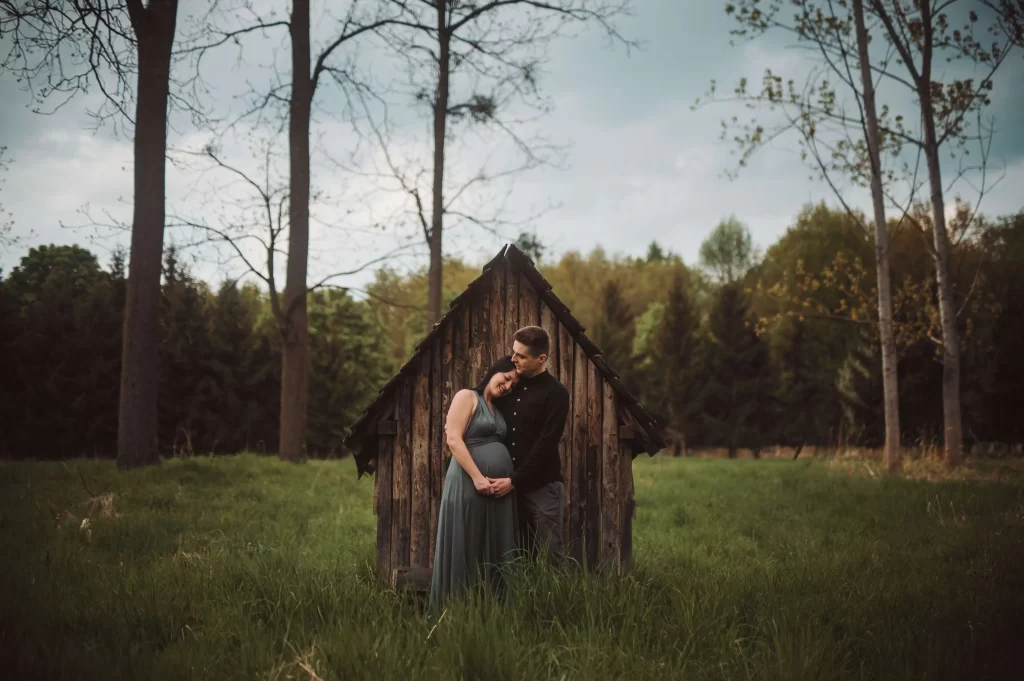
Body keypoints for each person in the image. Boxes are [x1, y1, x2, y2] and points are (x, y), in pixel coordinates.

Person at [428, 356, 520, 616]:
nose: (507, 386)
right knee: (468, 541)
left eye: (513, 385)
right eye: (507, 378)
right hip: (469, 483)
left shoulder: (497, 409)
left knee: (493, 547)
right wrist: (478, 477)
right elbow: (454, 439)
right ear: (495, 371)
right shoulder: (467, 396)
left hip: (497, 492)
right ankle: (457, 612)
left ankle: (491, 611)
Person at [488, 326, 570, 559]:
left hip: (542, 487)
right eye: (513, 352)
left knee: (549, 554)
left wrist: (514, 480)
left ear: (541, 358)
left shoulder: (556, 393)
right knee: (512, 554)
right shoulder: (508, 383)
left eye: (521, 355)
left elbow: (546, 443)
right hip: (506, 486)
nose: (513, 359)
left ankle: (551, 596)